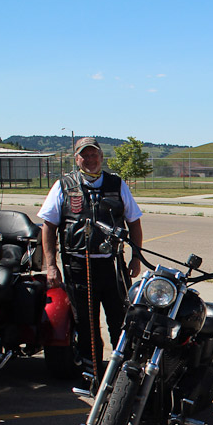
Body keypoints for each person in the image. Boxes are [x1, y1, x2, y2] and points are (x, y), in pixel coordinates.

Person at [38, 137, 144, 395]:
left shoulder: (117, 184)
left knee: (120, 321)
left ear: (101, 156)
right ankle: (92, 376)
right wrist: (51, 266)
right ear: (77, 159)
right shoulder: (63, 186)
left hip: (112, 266)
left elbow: (134, 221)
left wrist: (136, 257)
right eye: (84, 156)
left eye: (94, 154)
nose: (90, 159)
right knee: (85, 323)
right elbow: (48, 226)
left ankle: (122, 377)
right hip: (77, 266)